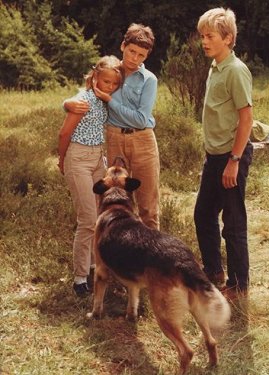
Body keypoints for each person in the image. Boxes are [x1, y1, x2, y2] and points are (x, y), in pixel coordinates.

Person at [64, 23, 160, 230]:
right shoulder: (111, 72)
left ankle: (150, 258)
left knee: (147, 206)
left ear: (147, 56)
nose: (135, 58)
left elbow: (141, 119)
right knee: (110, 202)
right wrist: (66, 103)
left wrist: (110, 100)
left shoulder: (149, 80)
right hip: (115, 137)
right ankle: (113, 253)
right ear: (123, 46)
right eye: (132, 51)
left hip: (143, 140)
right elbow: (87, 91)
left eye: (141, 55)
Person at [195, 7, 254, 299]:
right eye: (202, 36)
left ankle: (239, 284)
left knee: (232, 223)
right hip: (214, 156)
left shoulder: (235, 70)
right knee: (203, 214)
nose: (204, 41)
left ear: (228, 38)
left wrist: (233, 161)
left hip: (232, 156)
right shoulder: (215, 67)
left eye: (210, 36)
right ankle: (214, 271)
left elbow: (246, 119)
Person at [58, 55, 122, 297]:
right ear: (95, 77)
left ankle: (96, 266)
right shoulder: (82, 101)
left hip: (98, 160)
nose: (109, 87)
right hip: (79, 159)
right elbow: (64, 134)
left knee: (100, 217)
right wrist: (63, 160)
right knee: (87, 219)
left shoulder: (105, 100)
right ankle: (79, 278)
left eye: (114, 83)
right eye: (106, 81)